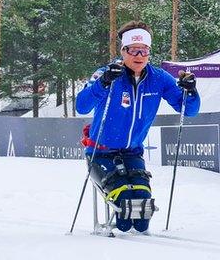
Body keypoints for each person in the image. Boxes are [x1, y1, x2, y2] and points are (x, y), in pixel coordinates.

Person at [76, 20, 200, 233]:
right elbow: (82, 105)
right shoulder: (107, 73)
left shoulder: (158, 78)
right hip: (101, 152)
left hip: (132, 153)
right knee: (124, 216)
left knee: (142, 215)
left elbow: (188, 109)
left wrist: (191, 91)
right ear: (123, 51)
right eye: (133, 50)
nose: (139, 56)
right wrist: (103, 83)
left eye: (144, 51)